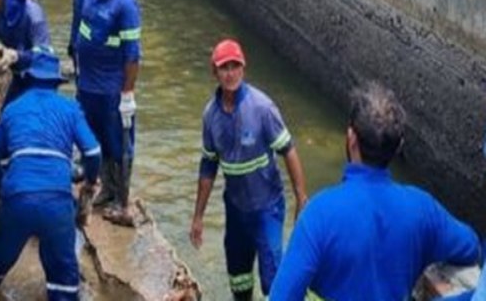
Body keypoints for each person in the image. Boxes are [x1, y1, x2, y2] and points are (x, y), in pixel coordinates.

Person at [270, 81, 482, 301]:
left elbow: (283, 296)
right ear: (398, 147)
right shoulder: (422, 208)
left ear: (351, 138)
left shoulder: (318, 215)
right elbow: (470, 247)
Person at [189, 39, 308, 300]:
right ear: (215, 72)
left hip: (268, 208)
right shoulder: (211, 116)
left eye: (235, 66)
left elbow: (288, 149)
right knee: (239, 279)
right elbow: (208, 167)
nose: (230, 73)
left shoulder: (262, 108)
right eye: (224, 68)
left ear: (243, 69)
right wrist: (198, 217)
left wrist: (301, 198)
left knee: (273, 281)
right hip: (236, 210)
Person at [0, 48, 101, 301]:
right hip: (57, 202)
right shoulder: (70, 109)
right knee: (64, 278)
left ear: (27, 79)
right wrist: (89, 180)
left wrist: (8, 188)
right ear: (56, 83)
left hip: (17, 200)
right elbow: (93, 151)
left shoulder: (13, 110)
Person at [75, 0, 141, 226]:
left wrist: (127, 92)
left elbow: (132, 55)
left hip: (111, 88)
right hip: (88, 84)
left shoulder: (125, 5)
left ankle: (121, 200)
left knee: (119, 145)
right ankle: (106, 188)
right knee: (96, 139)